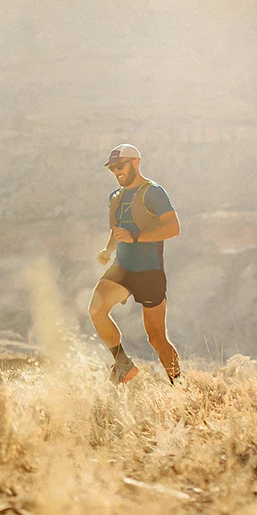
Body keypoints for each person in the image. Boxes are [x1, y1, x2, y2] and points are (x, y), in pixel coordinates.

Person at [90, 142, 182, 384]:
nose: (116, 171)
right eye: (112, 168)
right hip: (122, 268)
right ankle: (122, 364)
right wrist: (107, 250)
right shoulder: (116, 197)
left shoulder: (153, 192)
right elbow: (116, 229)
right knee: (96, 310)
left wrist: (137, 238)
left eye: (120, 166)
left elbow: (173, 228)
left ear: (136, 163)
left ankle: (179, 385)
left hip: (149, 272)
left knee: (156, 339)